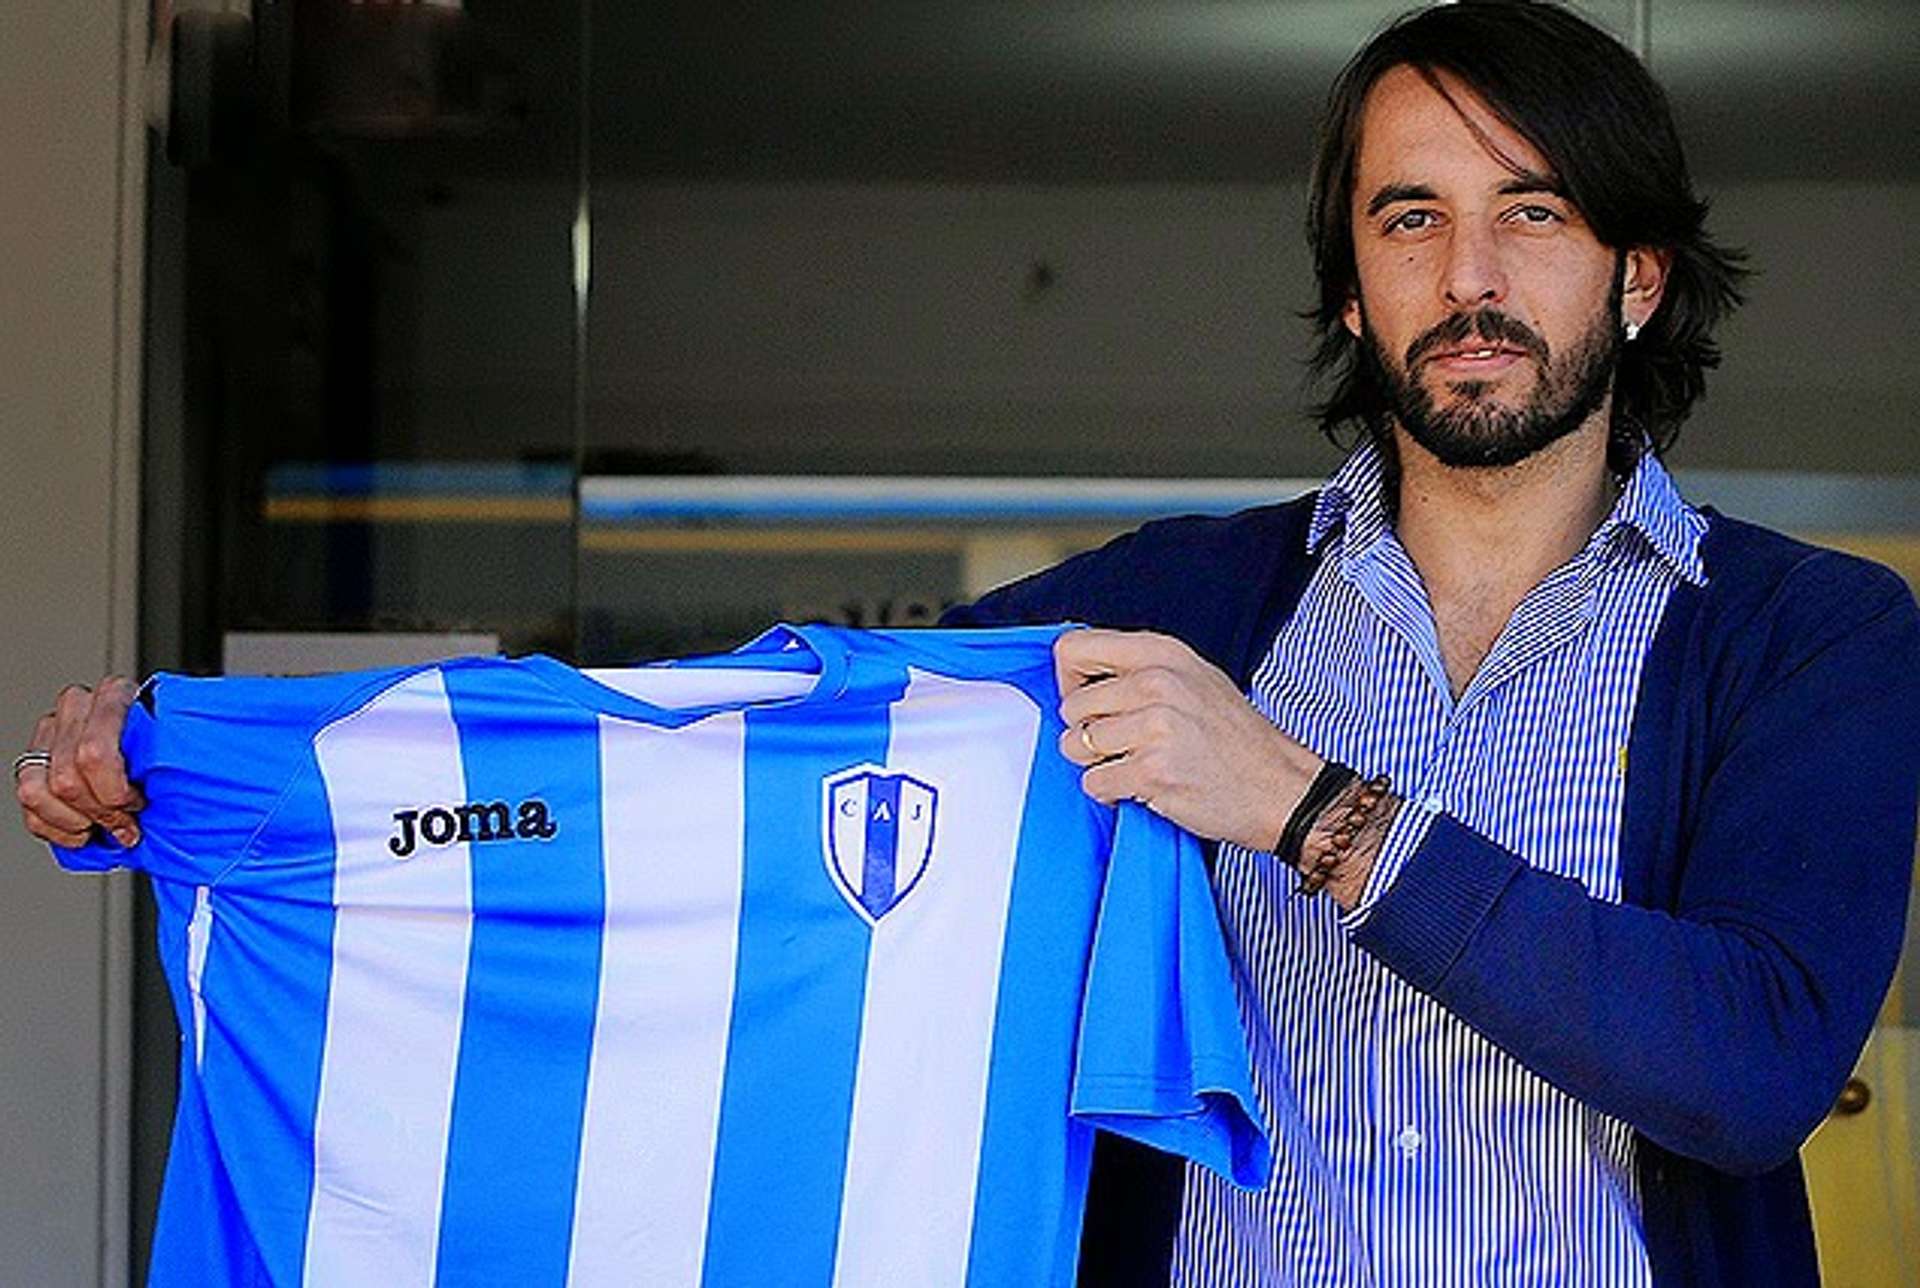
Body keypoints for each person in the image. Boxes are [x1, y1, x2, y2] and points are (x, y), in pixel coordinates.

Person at [16, 2, 1920, 1285]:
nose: (1471, 275)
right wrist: (229, 766)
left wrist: (1304, 806)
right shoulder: (1175, 609)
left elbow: (1753, 1065)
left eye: (1534, 212)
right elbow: (702, 748)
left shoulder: (1809, 637)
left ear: (1637, 275)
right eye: (1409, 217)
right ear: (1351, 286)